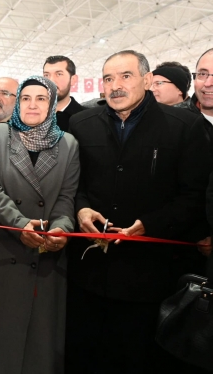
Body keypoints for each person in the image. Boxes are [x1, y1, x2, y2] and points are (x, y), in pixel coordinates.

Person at [65, 50, 212, 374]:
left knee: (135, 359)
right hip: (88, 273)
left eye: (125, 76)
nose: (115, 86)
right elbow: (73, 184)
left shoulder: (183, 126)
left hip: (148, 277)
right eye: (108, 78)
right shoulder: (81, 123)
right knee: (83, 355)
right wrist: (82, 208)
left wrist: (149, 224)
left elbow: (194, 195)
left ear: (147, 80)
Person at [0, 76, 79, 374]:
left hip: (43, 254)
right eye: (26, 98)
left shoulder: (67, 144)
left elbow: (66, 196)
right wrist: (20, 224)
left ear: (52, 105)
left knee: (33, 351)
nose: (32, 104)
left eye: (41, 98)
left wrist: (62, 228)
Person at [43, 55, 86, 131]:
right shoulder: (33, 115)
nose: (51, 80)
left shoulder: (86, 118)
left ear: (73, 80)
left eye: (59, 74)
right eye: (46, 75)